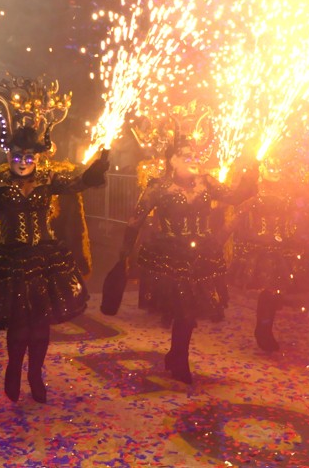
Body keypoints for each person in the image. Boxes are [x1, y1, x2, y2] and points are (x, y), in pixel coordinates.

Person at [0, 76, 109, 403]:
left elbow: (78, 184)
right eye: (17, 156)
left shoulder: (48, 179)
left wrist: (96, 170)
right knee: (19, 327)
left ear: (38, 157)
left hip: (44, 260)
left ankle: (36, 374)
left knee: (41, 325)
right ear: (8, 155)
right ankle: (13, 368)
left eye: (29, 157)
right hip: (10, 262)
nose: (23, 162)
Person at [101, 136, 258, 384]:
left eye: (197, 157)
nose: (195, 161)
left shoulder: (206, 182)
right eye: (188, 157)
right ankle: (179, 359)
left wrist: (252, 168)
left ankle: (175, 354)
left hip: (202, 255)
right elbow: (135, 221)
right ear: (173, 161)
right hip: (170, 256)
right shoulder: (158, 187)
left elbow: (237, 196)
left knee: (191, 310)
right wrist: (125, 253)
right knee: (184, 311)